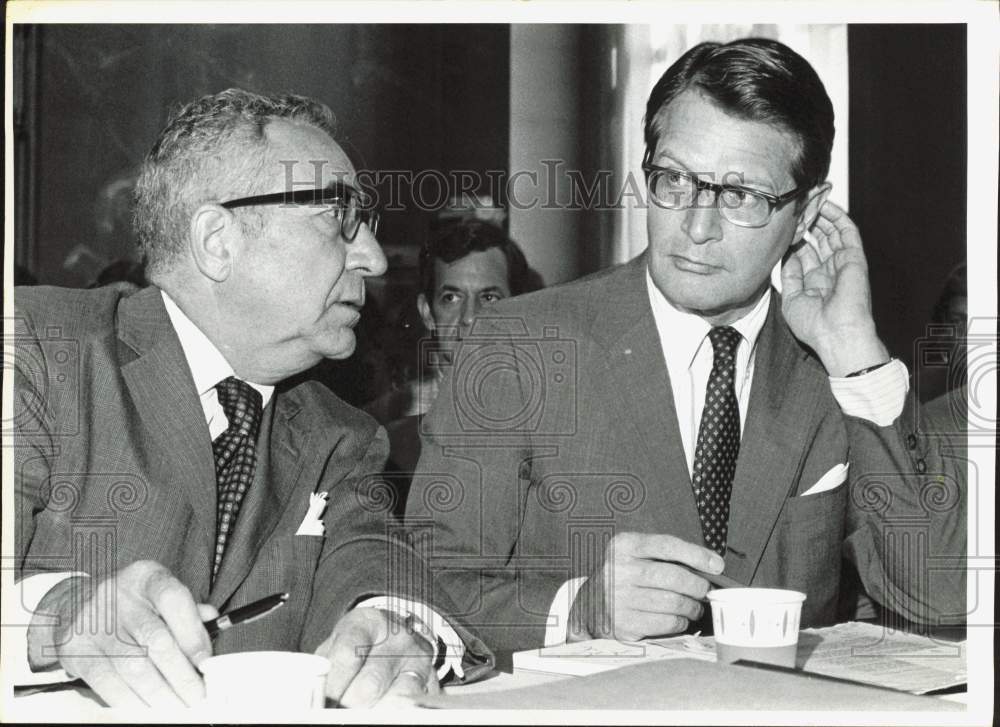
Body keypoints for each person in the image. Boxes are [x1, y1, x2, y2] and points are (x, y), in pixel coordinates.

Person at [406, 38, 966, 651]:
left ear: (806, 214)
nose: (696, 228)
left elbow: (933, 594)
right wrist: (576, 609)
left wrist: (856, 354)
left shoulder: (832, 369)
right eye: (674, 179)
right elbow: (425, 584)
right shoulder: (519, 346)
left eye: (740, 196)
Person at [12, 88, 490, 708]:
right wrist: (59, 616)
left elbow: (375, 561)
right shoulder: (36, 352)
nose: (371, 257)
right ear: (218, 240)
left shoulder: (339, 436)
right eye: (337, 217)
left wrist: (394, 624)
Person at [372, 220, 539, 517]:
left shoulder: (550, 428)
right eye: (451, 298)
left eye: (489, 298)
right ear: (427, 312)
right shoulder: (382, 435)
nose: (469, 318)